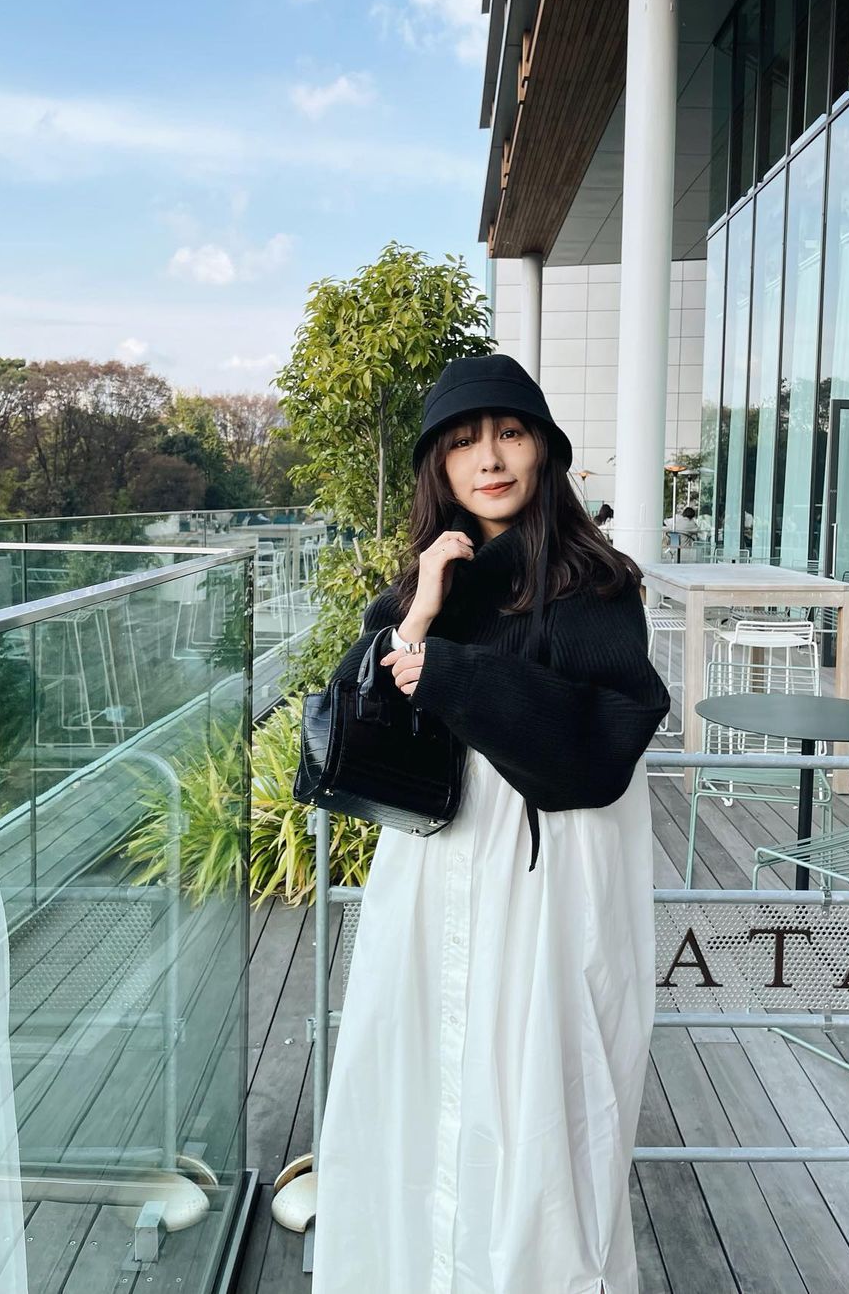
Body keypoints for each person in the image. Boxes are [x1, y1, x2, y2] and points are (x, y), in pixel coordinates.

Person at [311, 353, 670, 1294]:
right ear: (439, 464)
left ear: (542, 448)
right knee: (420, 1071)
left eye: (509, 433)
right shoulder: (428, 584)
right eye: (465, 442)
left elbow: (606, 741)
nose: (491, 459)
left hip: (550, 878)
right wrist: (420, 616)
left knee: (535, 1097)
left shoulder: (596, 584)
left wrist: (457, 674)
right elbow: (351, 724)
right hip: (434, 868)